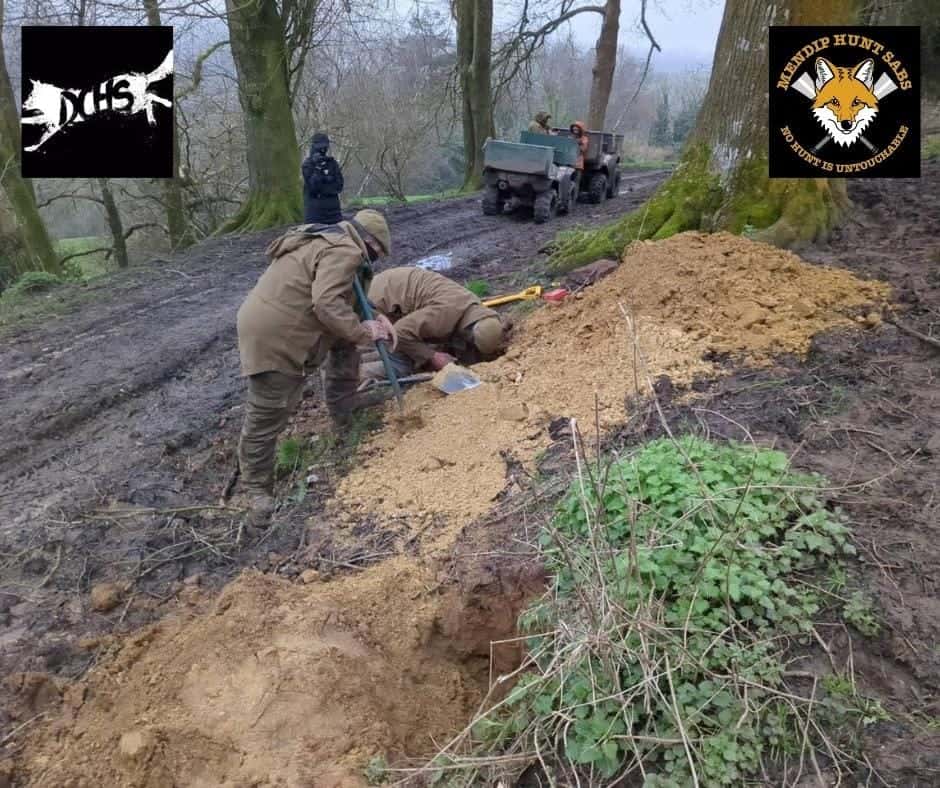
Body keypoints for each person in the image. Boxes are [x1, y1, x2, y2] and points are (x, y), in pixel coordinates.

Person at [234, 209, 393, 522]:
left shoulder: (328, 238)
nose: (375, 260)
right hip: (277, 335)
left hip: (272, 318)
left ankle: (345, 409)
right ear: (370, 242)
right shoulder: (346, 252)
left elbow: (343, 296)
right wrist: (365, 331)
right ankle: (255, 492)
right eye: (377, 254)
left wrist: (372, 315)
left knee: (344, 343)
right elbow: (327, 304)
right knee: (269, 411)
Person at [357, 266, 508, 383]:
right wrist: (433, 357)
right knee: (402, 365)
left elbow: (490, 329)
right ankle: (352, 375)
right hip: (374, 301)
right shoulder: (444, 315)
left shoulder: (475, 309)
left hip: (391, 291)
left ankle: (366, 354)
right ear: (469, 333)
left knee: (414, 347)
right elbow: (401, 332)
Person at [302, 132, 344, 225]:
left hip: (334, 212)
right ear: (313, 146)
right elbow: (313, 188)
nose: (323, 149)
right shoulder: (308, 165)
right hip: (315, 214)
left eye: (325, 147)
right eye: (320, 147)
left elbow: (339, 186)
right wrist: (318, 168)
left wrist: (324, 187)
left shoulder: (332, 163)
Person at [570, 121, 590, 189]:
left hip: (578, 164)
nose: (575, 131)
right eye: (574, 129)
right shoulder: (570, 137)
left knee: (576, 182)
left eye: (577, 129)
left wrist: (577, 143)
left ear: (580, 130)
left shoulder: (584, 139)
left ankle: (574, 197)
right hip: (569, 163)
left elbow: (583, 149)